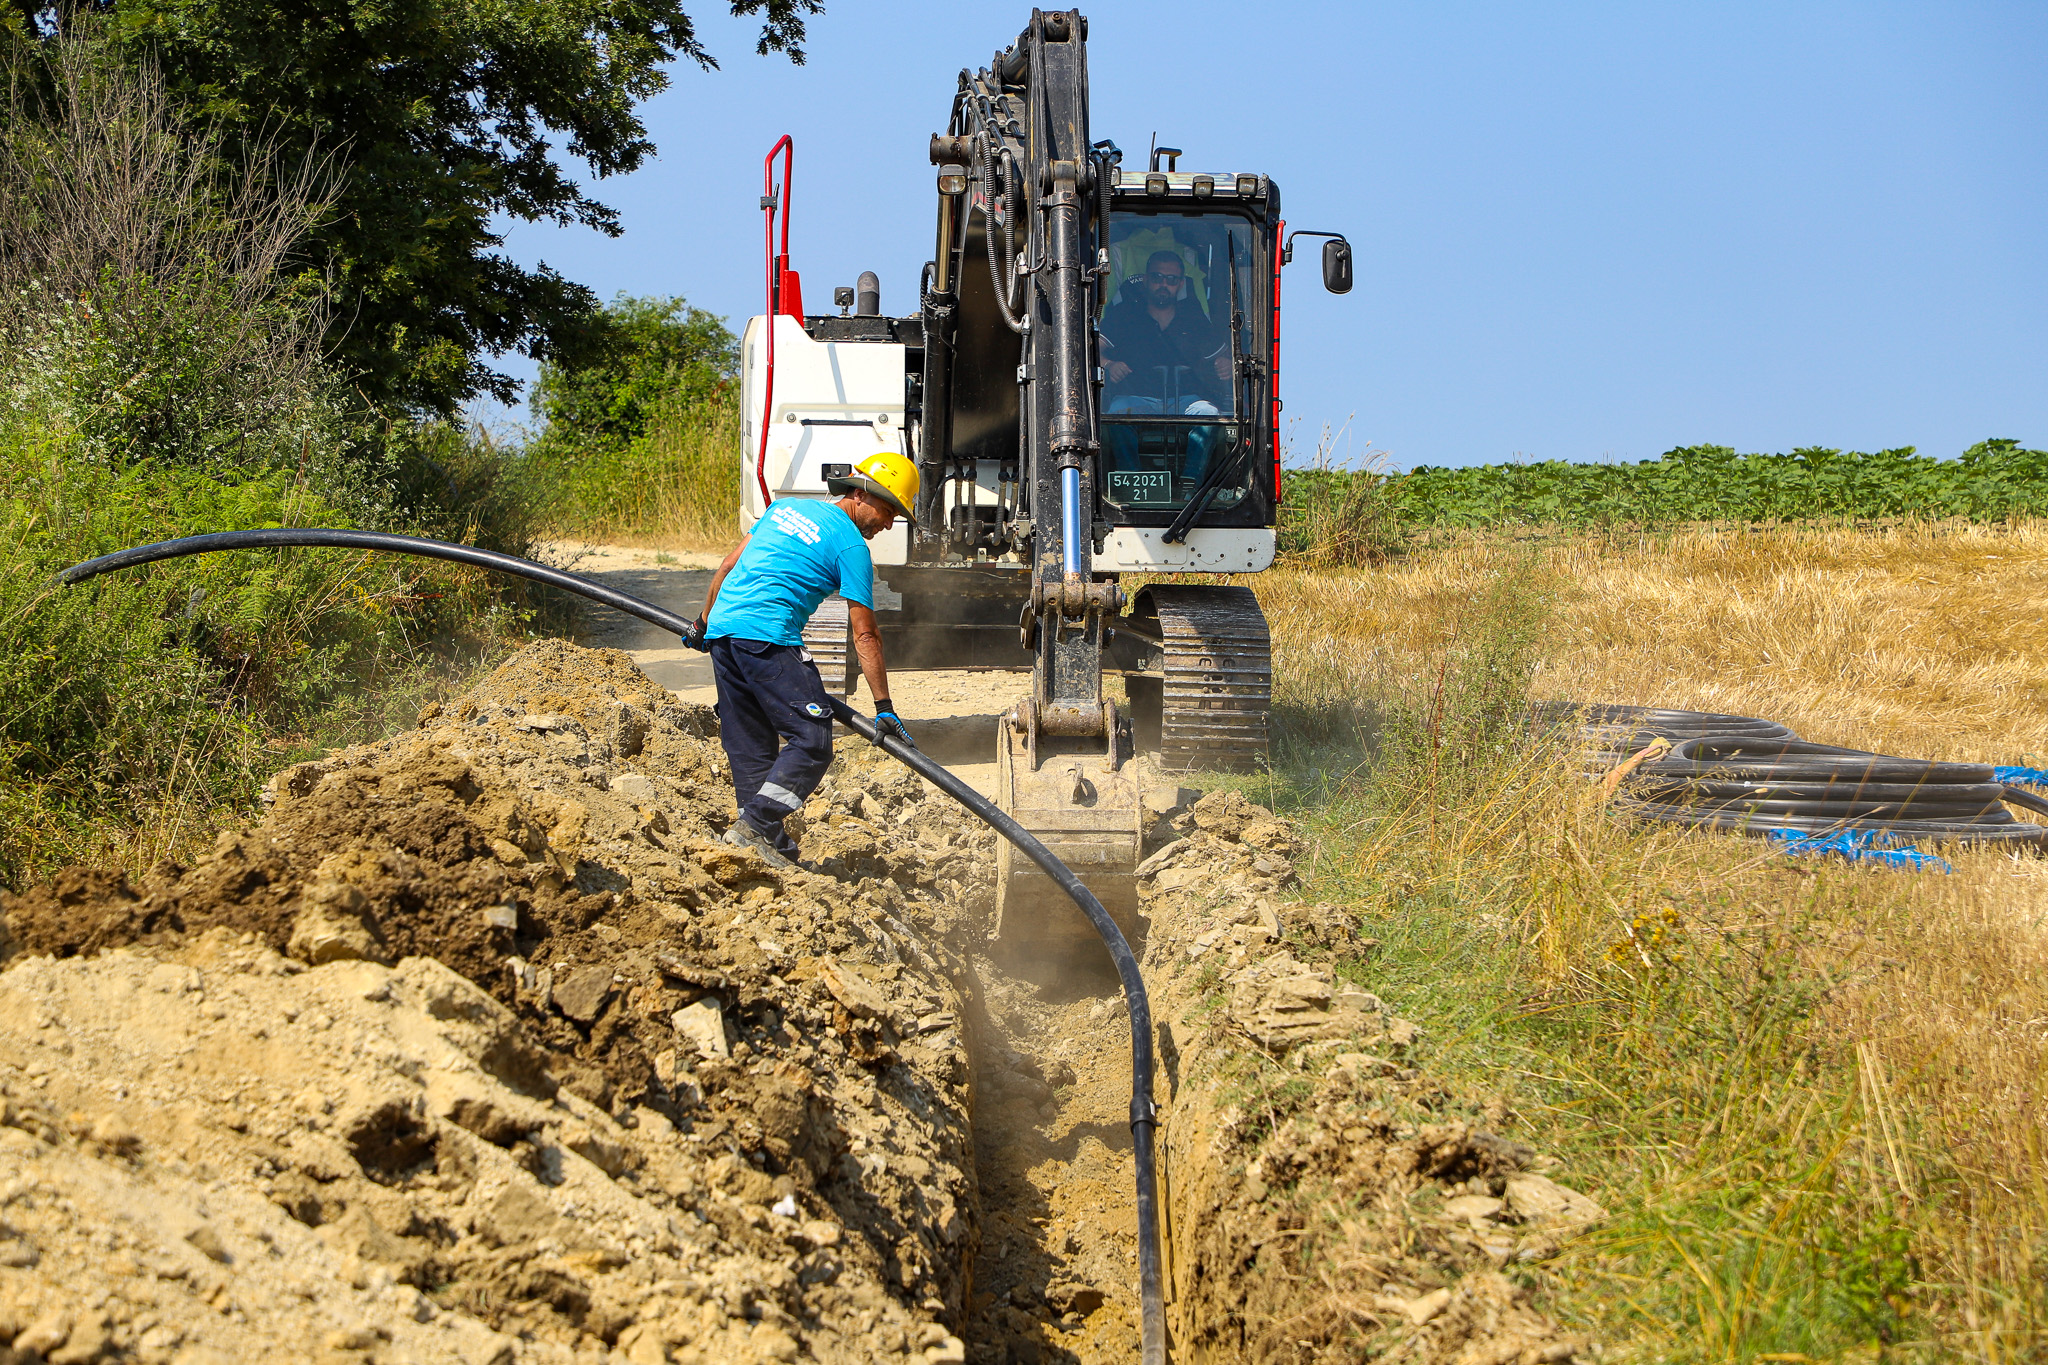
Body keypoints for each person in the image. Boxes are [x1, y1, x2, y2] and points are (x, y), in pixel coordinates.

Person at [682, 451, 920, 871]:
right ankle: (756, 825)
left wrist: (703, 622)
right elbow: (864, 633)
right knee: (812, 741)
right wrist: (884, 707)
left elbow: (728, 565)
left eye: (895, 518)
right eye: (887, 511)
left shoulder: (786, 508)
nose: (887, 525)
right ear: (861, 494)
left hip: (724, 635)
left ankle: (762, 842)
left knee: (751, 744)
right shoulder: (851, 547)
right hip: (768, 638)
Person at [1099, 249, 1235, 486]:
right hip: (1135, 400)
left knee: (1209, 414)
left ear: (1181, 283)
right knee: (1114, 415)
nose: (1164, 284)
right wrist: (1109, 364)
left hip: (1186, 401)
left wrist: (1226, 363)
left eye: (1171, 280)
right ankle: (1134, 482)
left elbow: (1225, 354)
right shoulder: (1124, 315)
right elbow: (1092, 349)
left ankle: (1190, 482)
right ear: (1145, 279)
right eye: (1157, 278)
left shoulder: (1193, 318)